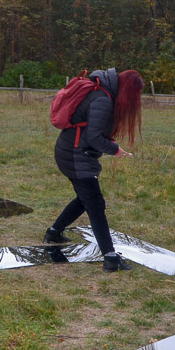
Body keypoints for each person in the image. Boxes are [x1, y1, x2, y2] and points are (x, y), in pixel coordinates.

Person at [44, 68, 144, 272]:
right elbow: (95, 138)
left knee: (85, 199)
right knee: (96, 204)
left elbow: (92, 132)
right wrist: (116, 150)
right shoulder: (103, 100)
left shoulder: (103, 95)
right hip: (75, 156)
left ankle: (54, 232)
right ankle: (110, 258)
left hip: (75, 152)